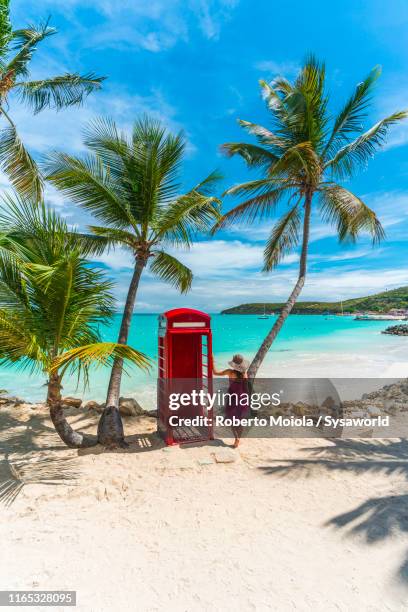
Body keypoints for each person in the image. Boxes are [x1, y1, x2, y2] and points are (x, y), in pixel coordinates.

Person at [213, 354, 250, 448]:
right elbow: (246, 388)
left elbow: (215, 373)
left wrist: (212, 360)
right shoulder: (244, 374)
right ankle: (238, 439)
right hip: (243, 398)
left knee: (232, 420)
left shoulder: (230, 372)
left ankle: (236, 438)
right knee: (240, 420)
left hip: (233, 398)